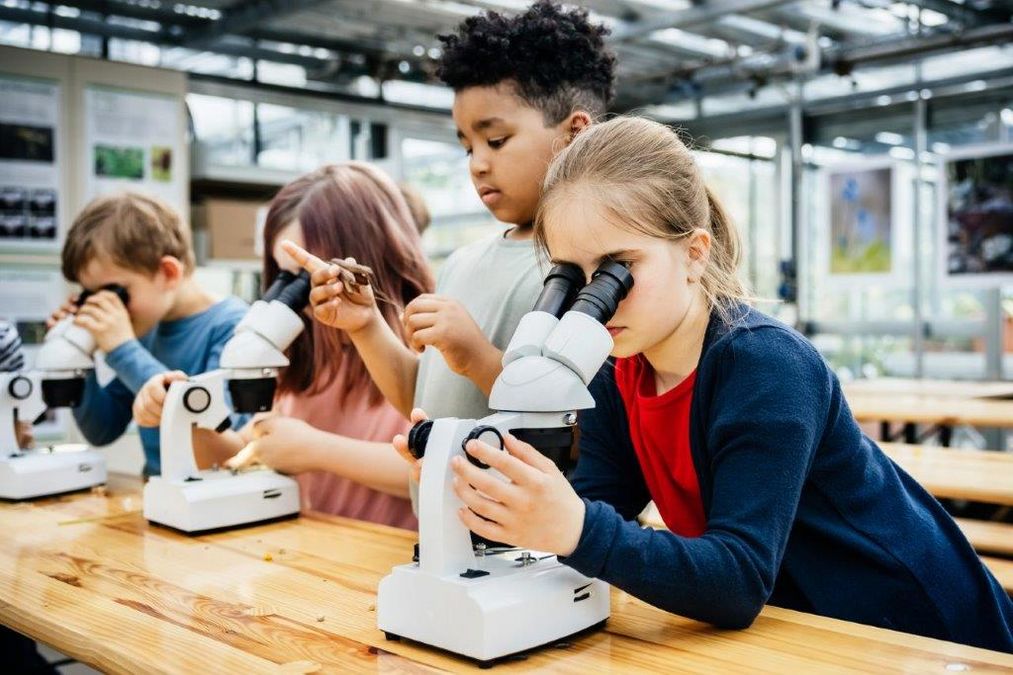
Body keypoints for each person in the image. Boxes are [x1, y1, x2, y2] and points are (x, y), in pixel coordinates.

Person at [410, 116, 1013, 652]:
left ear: (695, 253)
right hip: (798, 632)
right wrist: (477, 491)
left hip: (917, 632)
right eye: (575, 276)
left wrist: (574, 526)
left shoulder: (766, 365)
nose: (597, 298)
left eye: (621, 269)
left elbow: (736, 579)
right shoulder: (619, 372)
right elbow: (596, 516)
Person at [50, 192, 247, 476]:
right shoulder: (146, 327)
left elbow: (226, 447)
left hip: (213, 499)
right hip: (158, 496)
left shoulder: (232, 327)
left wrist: (122, 349)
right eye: (89, 296)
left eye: (115, 293)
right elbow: (103, 429)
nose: (107, 308)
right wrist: (76, 355)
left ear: (168, 273)